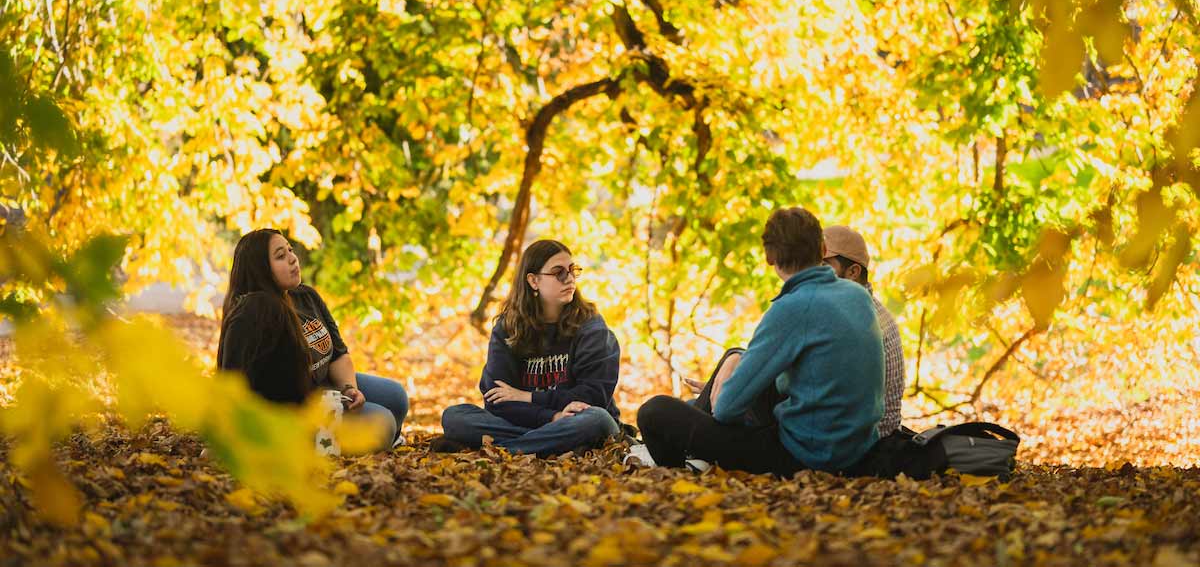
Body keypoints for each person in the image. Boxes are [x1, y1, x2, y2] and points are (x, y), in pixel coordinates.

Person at [635, 207, 884, 476]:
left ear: (770, 258)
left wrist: (726, 389)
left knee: (654, 412)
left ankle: (681, 472)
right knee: (739, 358)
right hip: (860, 448)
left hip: (810, 456)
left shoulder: (790, 308)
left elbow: (727, 410)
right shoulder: (857, 295)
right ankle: (695, 456)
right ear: (822, 248)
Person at [216, 228, 409, 450]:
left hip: (325, 385)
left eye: (290, 250)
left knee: (396, 397)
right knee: (383, 423)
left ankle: (384, 437)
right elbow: (231, 383)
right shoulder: (253, 312)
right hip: (299, 410)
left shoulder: (305, 296)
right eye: (280, 256)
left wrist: (349, 389)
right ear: (260, 270)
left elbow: (338, 355)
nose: (292, 258)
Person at [436, 239, 621, 456]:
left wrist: (527, 397)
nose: (569, 278)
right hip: (547, 424)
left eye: (572, 270)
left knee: (595, 419)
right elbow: (496, 400)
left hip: (582, 422)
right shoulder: (508, 328)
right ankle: (552, 443)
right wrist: (552, 418)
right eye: (559, 272)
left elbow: (592, 396)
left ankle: (506, 450)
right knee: (455, 416)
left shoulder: (592, 328)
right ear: (533, 281)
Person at [822, 225, 905, 437]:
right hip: (860, 434)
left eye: (824, 265)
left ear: (852, 272)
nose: (814, 273)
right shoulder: (865, 309)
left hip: (859, 443)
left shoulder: (854, 317)